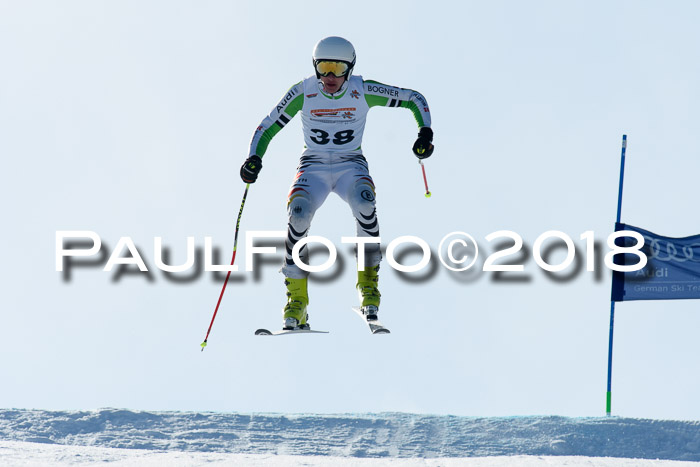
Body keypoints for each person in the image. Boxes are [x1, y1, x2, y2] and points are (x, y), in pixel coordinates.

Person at [240, 36, 434, 330]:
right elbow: (267, 126)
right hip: (313, 166)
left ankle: (368, 287)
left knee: (364, 203)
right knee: (298, 214)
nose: (330, 76)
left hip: (350, 166)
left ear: (350, 68)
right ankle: (297, 301)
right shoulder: (303, 92)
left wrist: (425, 132)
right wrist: (254, 158)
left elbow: (413, 98)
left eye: (338, 68)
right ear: (315, 66)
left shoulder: (363, 90)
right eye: (324, 67)